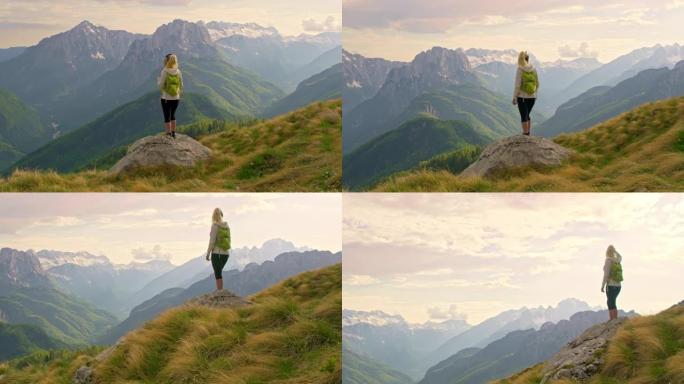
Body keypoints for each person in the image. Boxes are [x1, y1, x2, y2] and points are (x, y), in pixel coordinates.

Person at [512, 51, 539, 136]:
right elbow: (537, 83)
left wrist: (514, 97)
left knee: (524, 116)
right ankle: (528, 133)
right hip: (533, 97)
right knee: (527, 115)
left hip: (522, 97)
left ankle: (525, 134)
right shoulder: (533, 69)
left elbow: (517, 85)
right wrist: (535, 94)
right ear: (528, 59)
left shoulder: (520, 69)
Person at [157, 53, 183, 138]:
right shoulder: (178, 71)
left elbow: (160, 85)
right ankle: (173, 133)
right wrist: (177, 92)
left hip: (166, 98)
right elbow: (181, 84)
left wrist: (158, 80)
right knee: (173, 115)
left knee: (166, 115)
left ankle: (168, 133)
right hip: (176, 98)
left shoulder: (164, 71)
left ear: (167, 61)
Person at [206, 208, 231, 291]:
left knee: (218, 273)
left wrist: (208, 253)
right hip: (226, 254)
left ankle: (220, 292)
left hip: (217, 254)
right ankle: (220, 291)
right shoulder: (227, 226)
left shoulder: (215, 226)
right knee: (219, 272)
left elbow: (212, 241)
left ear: (213, 216)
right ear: (221, 215)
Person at [601, 245, 623, 321]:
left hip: (611, 285)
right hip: (618, 286)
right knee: (613, 301)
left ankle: (612, 320)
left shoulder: (608, 260)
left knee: (610, 302)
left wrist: (603, 285)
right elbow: (620, 256)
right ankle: (614, 319)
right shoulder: (617, 260)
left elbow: (606, 275)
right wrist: (615, 251)